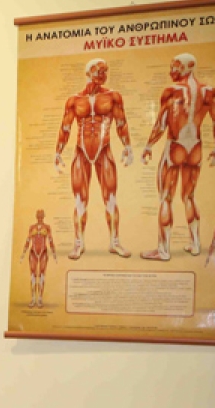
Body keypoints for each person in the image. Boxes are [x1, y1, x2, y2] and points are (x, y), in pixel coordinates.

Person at [140, 53, 215, 261]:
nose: (172, 70)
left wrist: (149, 145)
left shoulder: (172, 90)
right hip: (195, 147)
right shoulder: (209, 91)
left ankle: (163, 251)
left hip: (175, 146)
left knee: (165, 197)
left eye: (177, 66)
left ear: (190, 66)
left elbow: (161, 124)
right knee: (189, 196)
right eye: (172, 65)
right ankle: (195, 244)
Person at [54, 58, 134, 260]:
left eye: (105, 71)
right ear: (88, 72)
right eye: (99, 71)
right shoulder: (74, 100)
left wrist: (127, 147)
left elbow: (121, 123)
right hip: (81, 152)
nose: (103, 75)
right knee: (80, 201)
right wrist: (58, 152)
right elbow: (65, 127)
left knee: (111, 198)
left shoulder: (113, 96)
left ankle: (114, 242)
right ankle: (78, 243)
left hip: (104, 151)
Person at [19, 209, 57, 308]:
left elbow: (50, 240)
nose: (40, 217)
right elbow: (28, 240)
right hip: (33, 252)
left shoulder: (47, 227)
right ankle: (33, 299)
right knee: (33, 275)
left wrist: (54, 253)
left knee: (42, 275)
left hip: (43, 252)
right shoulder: (32, 227)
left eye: (41, 215)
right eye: (38, 215)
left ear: (43, 216)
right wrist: (23, 253)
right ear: (36, 216)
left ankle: (39, 298)